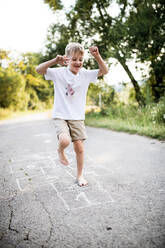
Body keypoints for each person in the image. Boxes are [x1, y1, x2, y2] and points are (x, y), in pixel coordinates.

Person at [36, 42, 108, 186]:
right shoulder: (58, 73)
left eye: (80, 59)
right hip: (60, 115)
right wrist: (55, 61)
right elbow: (39, 70)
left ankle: (80, 176)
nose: (78, 62)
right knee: (64, 141)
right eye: (74, 59)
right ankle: (60, 150)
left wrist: (97, 56)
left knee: (79, 148)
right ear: (67, 59)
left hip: (77, 117)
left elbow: (104, 71)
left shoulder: (86, 74)